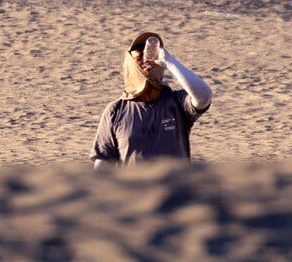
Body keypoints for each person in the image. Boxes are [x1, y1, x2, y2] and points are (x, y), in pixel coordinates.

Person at [90, 32, 212, 168]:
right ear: (129, 63)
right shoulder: (115, 111)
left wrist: (169, 62)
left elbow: (204, 97)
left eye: (152, 57)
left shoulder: (177, 103)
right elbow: (103, 164)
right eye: (139, 57)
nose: (146, 61)